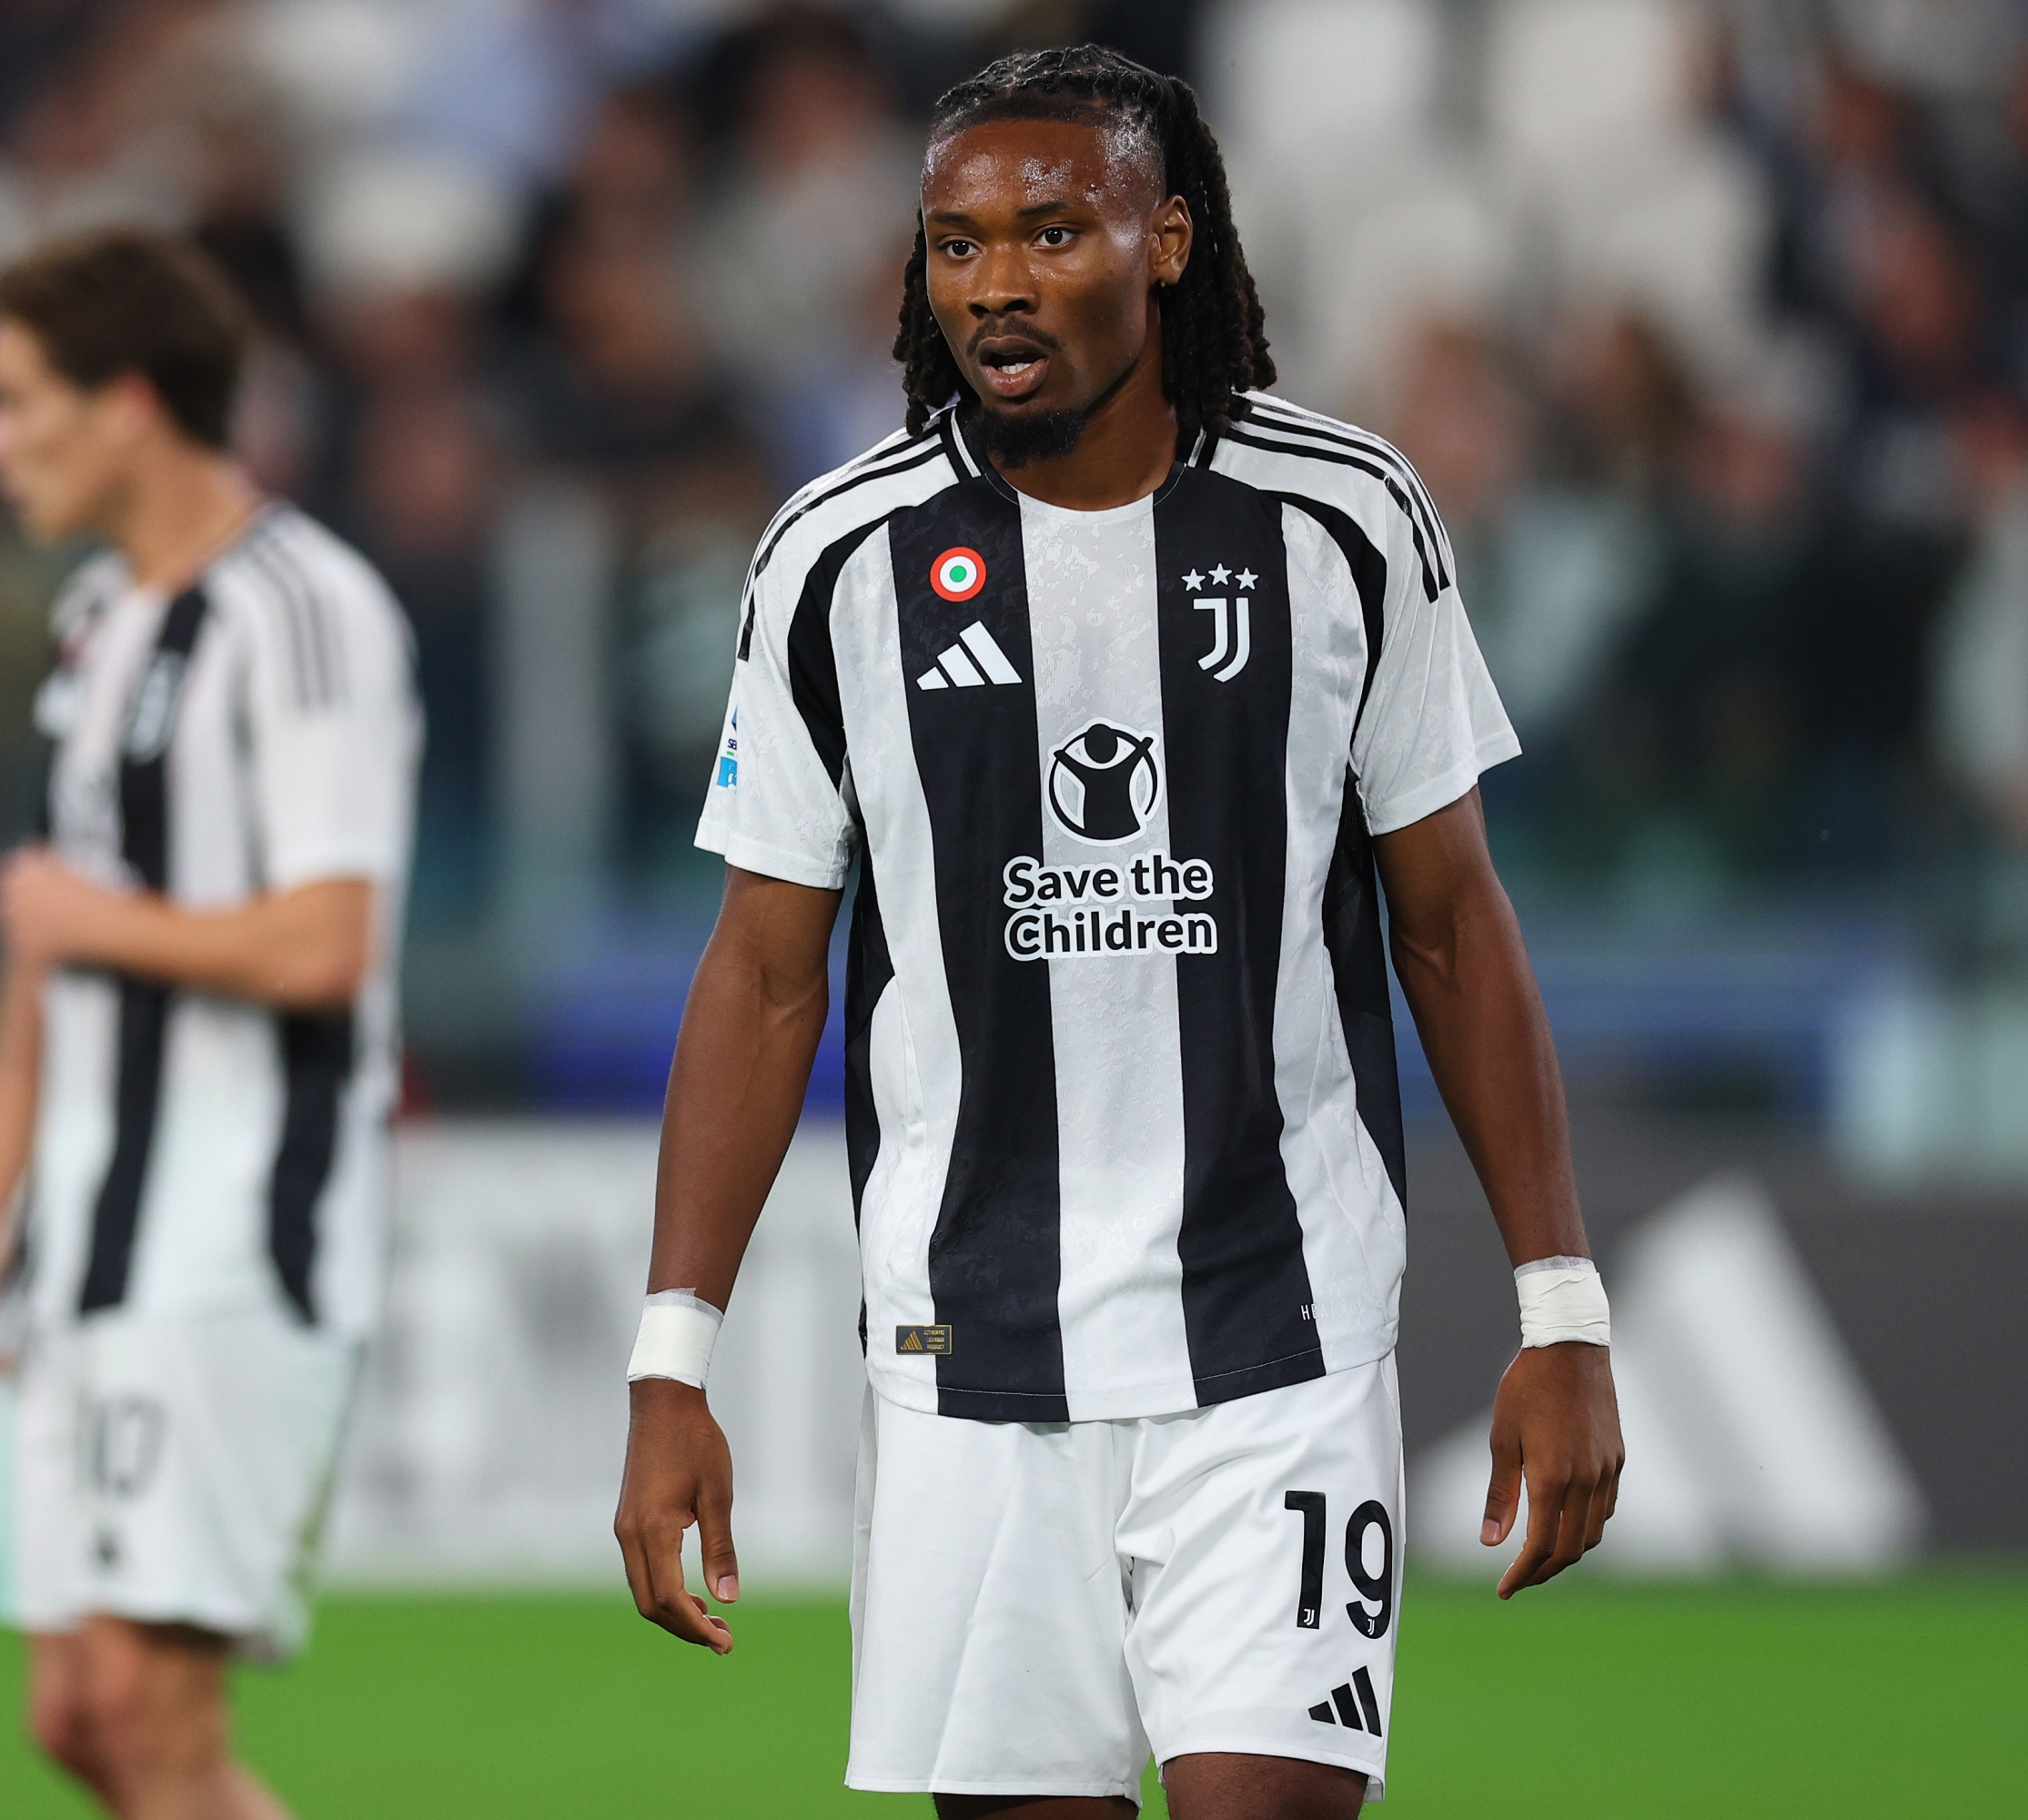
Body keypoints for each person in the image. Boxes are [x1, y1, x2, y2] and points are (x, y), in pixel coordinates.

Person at [614, 46, 1621, 1818]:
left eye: (1053, 229)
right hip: (968, 1367)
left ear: (1168, 242)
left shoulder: (1345, 522)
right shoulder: (837, 558)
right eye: (955, 244)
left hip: (1279, 1339)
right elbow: (766, 972)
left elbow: (1453, 925)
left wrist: (1561, 1305)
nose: (996, 279)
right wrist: (670, 1365)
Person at [0, 228, 419, 1820]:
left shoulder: (305, 611)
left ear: (127, 403)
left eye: (14, 404)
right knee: (76, 1712)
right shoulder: (94, 625)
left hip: (229, 1230)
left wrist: (92, 922)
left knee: (150, 1706)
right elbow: (38, 948)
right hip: (87, 1233)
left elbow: (329, 944)